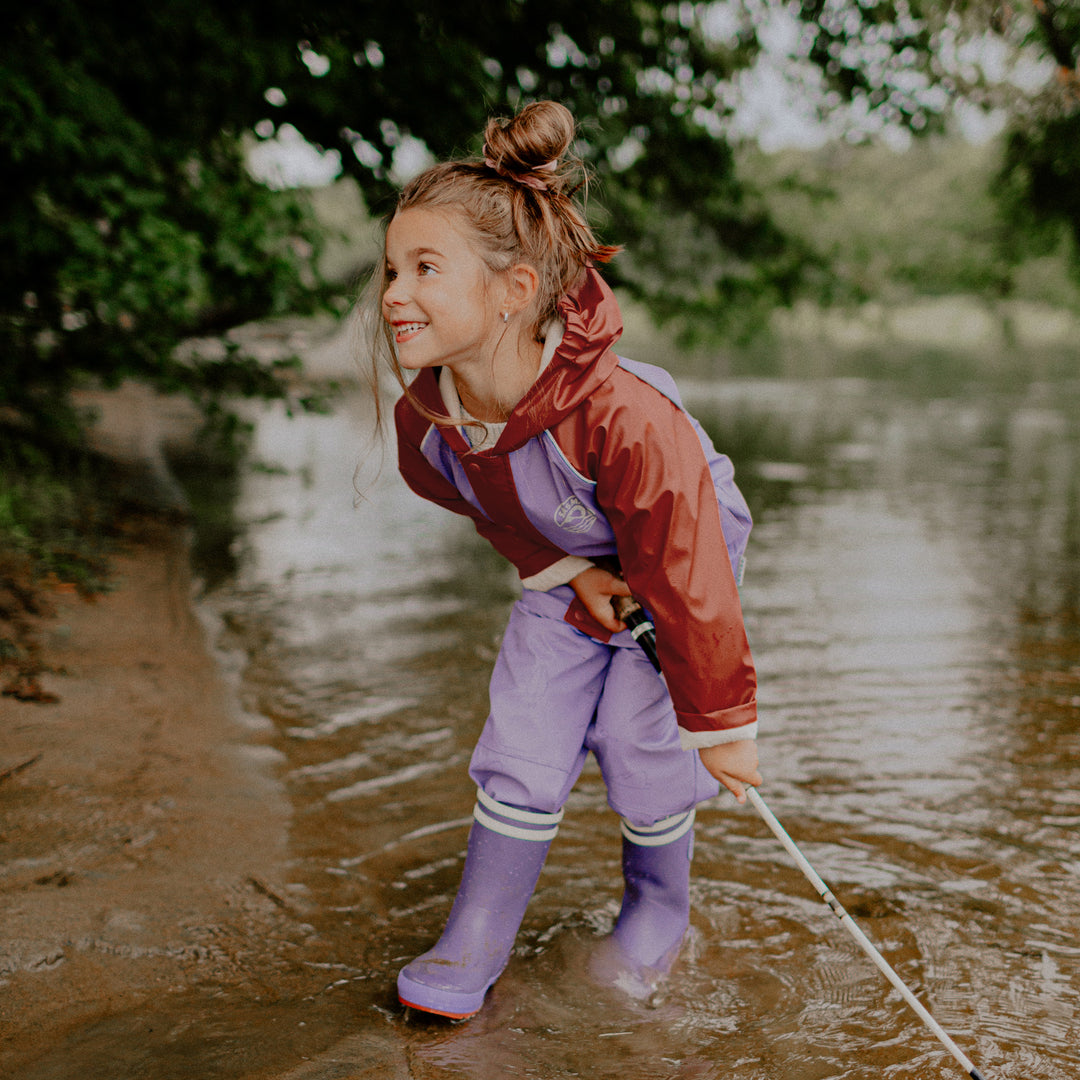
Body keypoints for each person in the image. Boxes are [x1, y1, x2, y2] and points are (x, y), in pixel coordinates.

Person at [365, 100, 762, 1020]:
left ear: (512, 291)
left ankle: (658, 911)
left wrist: (724, 718)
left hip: (677, 557)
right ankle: (476, 935)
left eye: (426, 269)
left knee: (639, 737)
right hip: (567, 559)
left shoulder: (626, 417)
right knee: (526, 733)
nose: (393, 292)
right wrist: (566, 572)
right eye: (391, 268)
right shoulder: (432, 425)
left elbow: (689, 571)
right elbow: (481, 504)